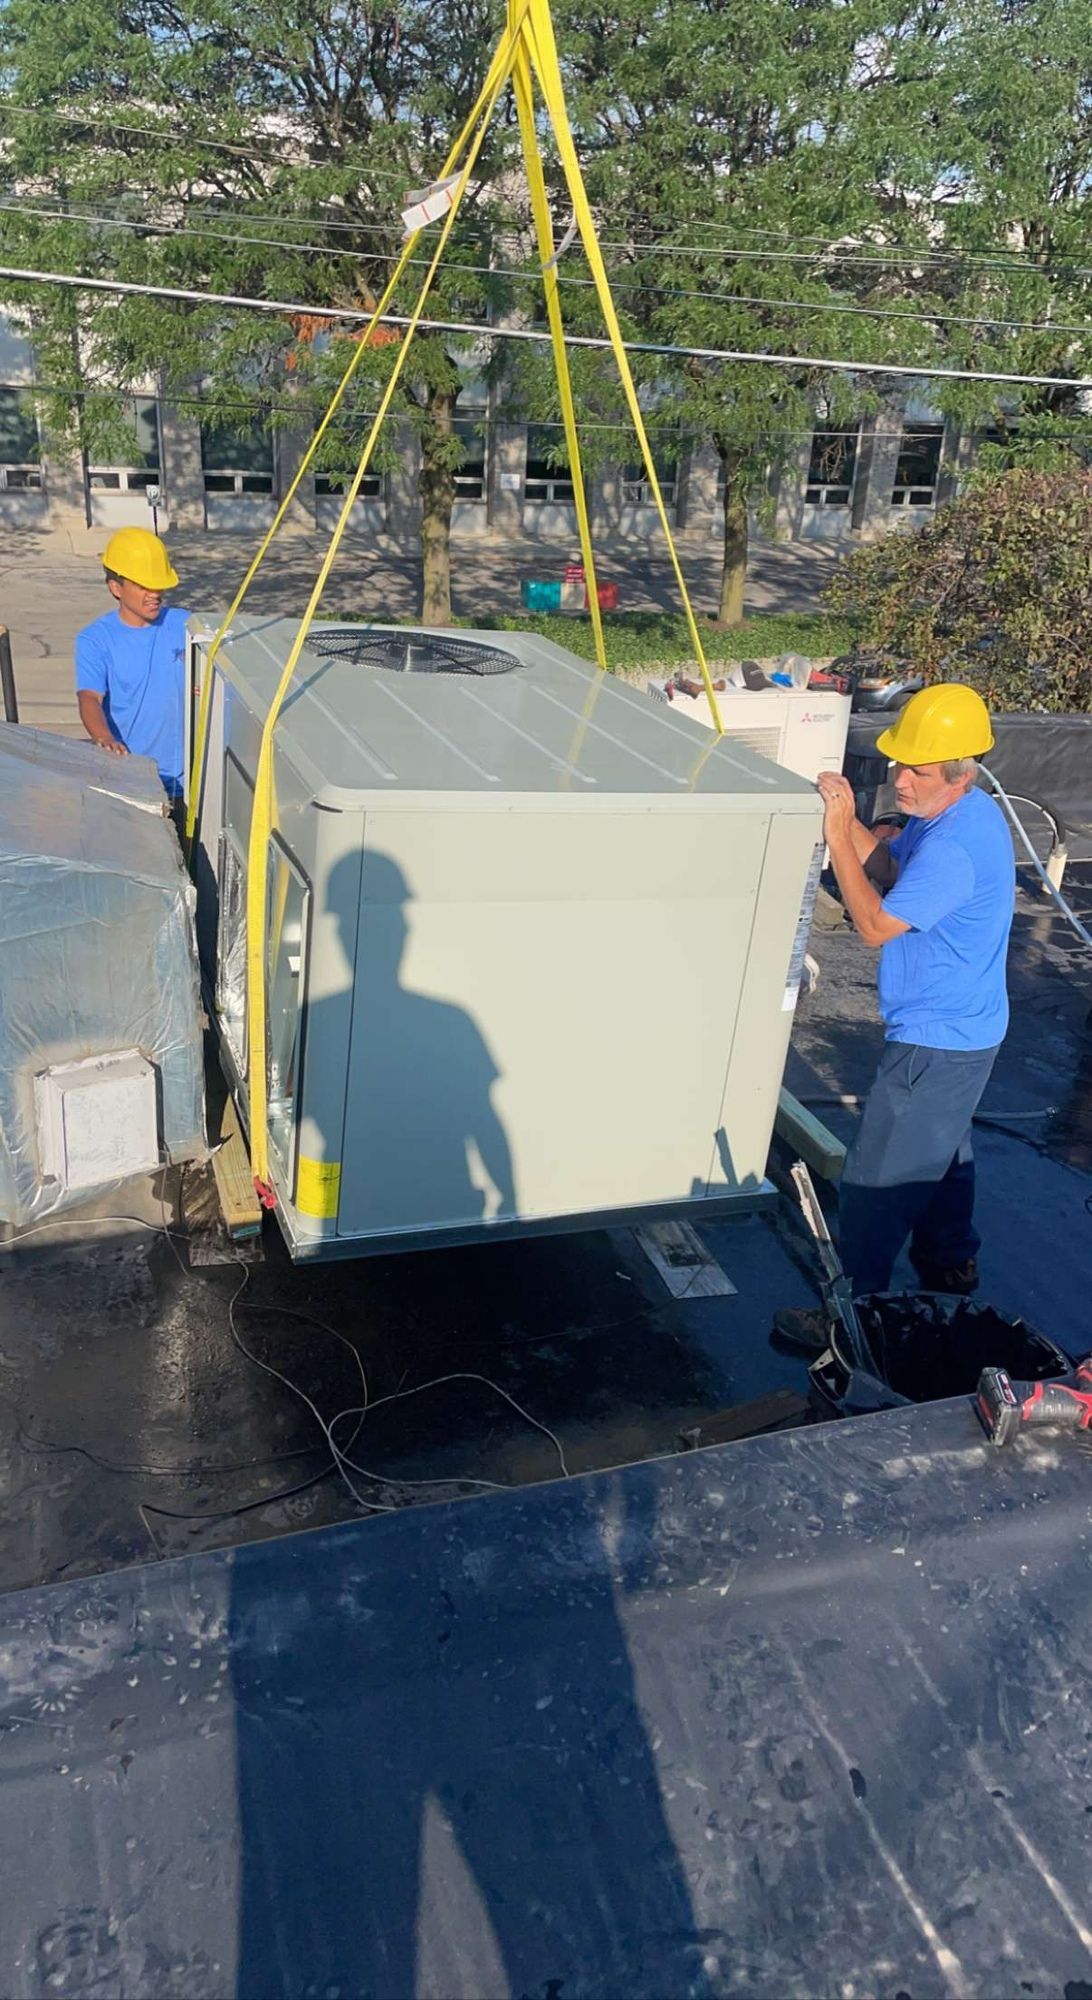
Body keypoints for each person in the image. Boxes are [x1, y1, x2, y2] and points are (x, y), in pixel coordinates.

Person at [778, 683, 1014, 1345]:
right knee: (941, 1154)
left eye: (916, 769)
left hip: (936, 1041)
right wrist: (844, 815)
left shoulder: (953, 849)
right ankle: (949, 1261)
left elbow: (877, 923)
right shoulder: (962, 816)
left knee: (878, 1182)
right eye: (897, 763)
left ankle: (846, 1320)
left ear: (959, 773)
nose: (899, 779)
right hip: (968, 1031)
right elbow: (888, 862)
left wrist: (832, 841)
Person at [75, 527, 189, 802]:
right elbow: (89, 697)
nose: (155, 594)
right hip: (136, 784)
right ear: (116, 587)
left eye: (158, 585)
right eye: (143, 585)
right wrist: (104, 738)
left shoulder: (187, 625)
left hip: (193, 784)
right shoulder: (94, 639)